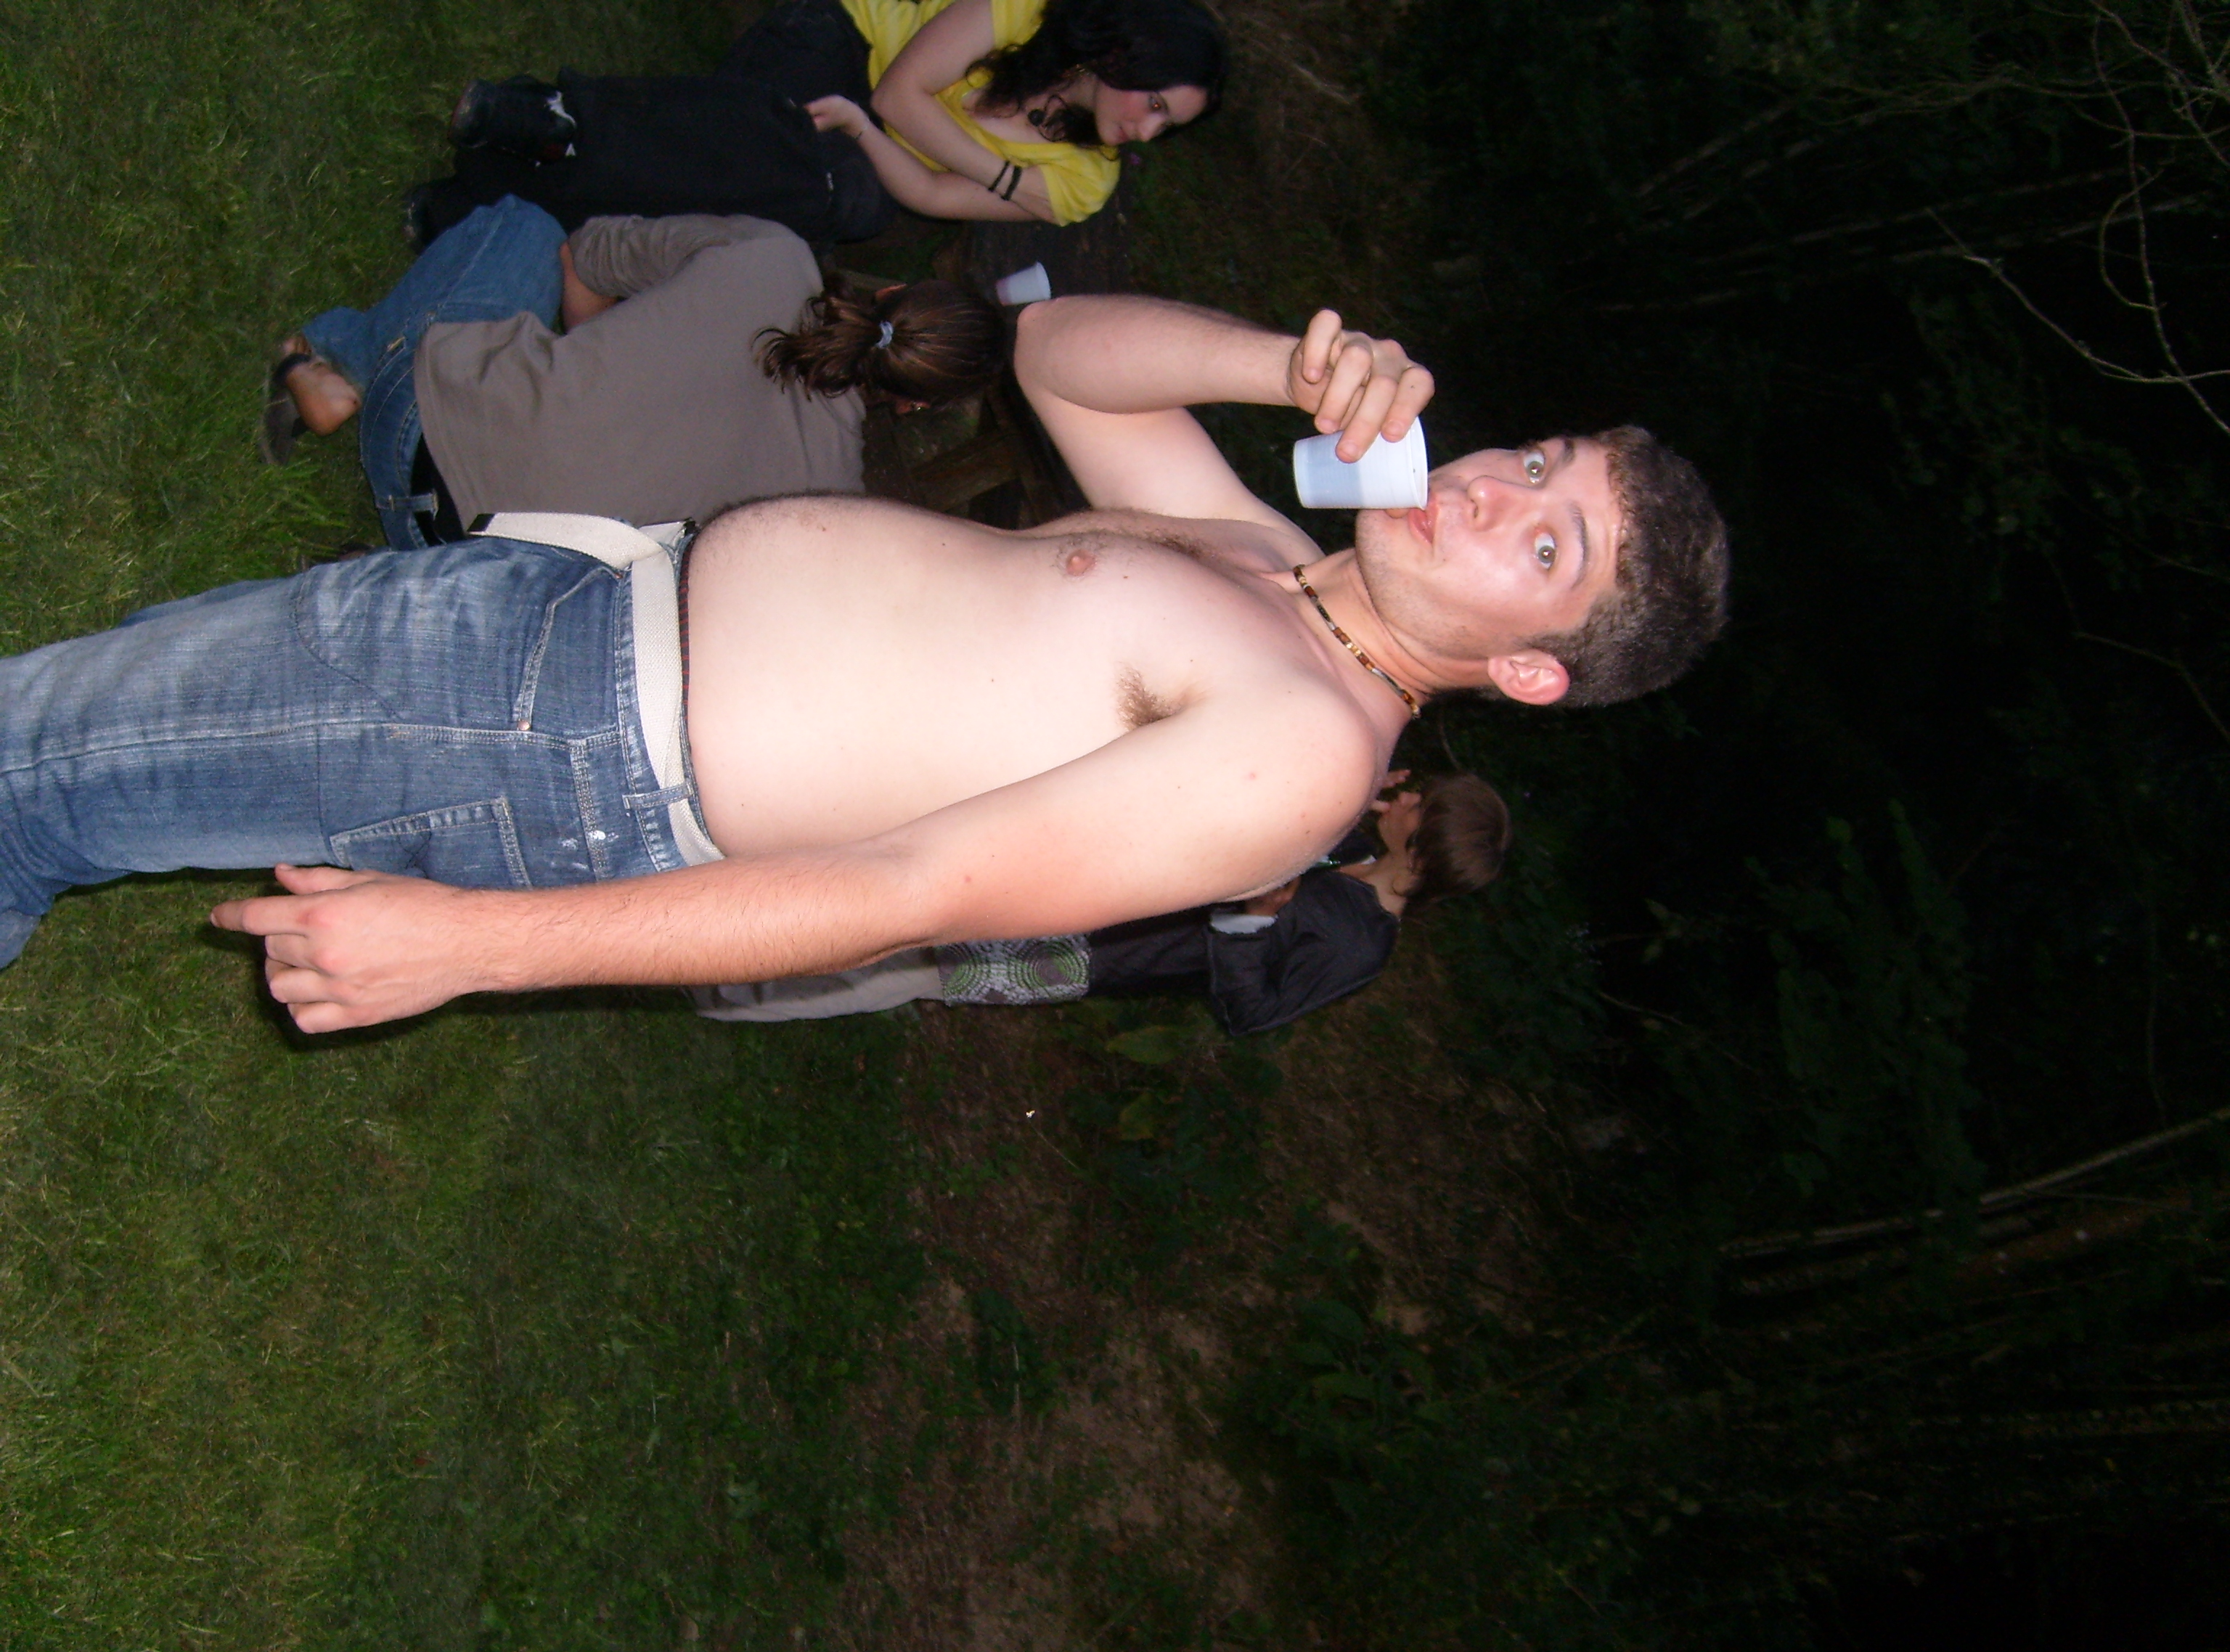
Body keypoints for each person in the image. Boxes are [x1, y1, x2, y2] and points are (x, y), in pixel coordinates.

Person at [0, 293, 1730, 1034]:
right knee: (97, 732)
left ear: (1531, 673)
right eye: (1538, 462)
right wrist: (1288, 365)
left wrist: (474, 949)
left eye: (1546, 547)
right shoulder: (1275, 569)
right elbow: (1055, 358)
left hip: (558, 746)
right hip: (570, 614)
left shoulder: (1301, 751)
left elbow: (910, 891)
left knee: (46, 764)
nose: (1494, 491)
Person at [261, 195, 1005, 547]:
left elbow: (582, 255)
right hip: (460, 563)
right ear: (912, 404)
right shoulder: (828, 504)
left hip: (418, 427)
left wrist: (609, 358)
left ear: (893, 291)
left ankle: (337, 357)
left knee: (525, 228)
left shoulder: (775, 254)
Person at [693, 771, 1512, 1032]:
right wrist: (1347, 788)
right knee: (902, 911)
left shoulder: (1361, 945)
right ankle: (744, 938)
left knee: (902, 973)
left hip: (1097, 953)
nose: (1410, 796)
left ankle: (723, 992)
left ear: (1422, 853)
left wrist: (1250, 920)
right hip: (1101, 884)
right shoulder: (1350, 843)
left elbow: (1254, 1013)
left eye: (1419, 806)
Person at [407, 0, 1228, 248]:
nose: (1148, 132)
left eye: (1169, 128)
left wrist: (867, 134)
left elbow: (931, 196)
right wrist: (1009, 177)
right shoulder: (1035, 8)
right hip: (844, 44)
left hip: (866, 152)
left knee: (816, 184)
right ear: (1127, 53)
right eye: (1157, 104)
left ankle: (553, 122)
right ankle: (476, 207)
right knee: (761, 154)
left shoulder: (1086, 182)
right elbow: (902, 91)